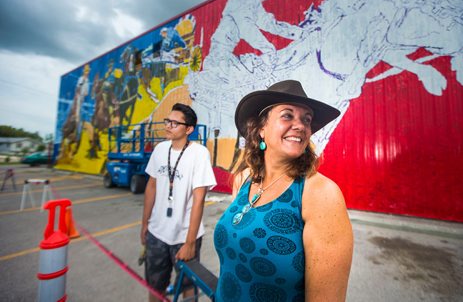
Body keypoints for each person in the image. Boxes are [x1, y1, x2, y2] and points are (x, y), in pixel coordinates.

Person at [213, 80, 353, 301]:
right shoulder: (243, 179)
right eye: (287, 115)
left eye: (306, 119)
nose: (301, 125)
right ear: (261, 129)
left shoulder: (319, 194)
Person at [141, 103, 217, 302]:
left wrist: (190, 242)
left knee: (188, 286)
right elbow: (151, 187)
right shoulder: (160, 149)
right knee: (155, 285)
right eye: (168, 121)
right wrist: (144, 224)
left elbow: (199, 199)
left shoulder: (199, 154)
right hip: (157, 233)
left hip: (185, 236)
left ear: (189, 129)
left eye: (175, 123)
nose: (168, 126)